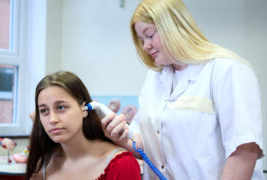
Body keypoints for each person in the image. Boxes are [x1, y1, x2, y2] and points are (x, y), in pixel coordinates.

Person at [101, 0, 264, 179]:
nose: (145, 46)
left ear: (174, 27)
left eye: (150, 35)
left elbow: (244, 150)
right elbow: (146, 144)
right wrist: (124, 138)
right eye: (141, 40)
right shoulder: (155, 78)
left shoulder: (226, 71)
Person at [26, 71, 141, 180]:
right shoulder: (44, 164)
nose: (52, 120)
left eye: (61, 107)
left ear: (84, 109)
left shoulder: (121, 164)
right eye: (44, 110)